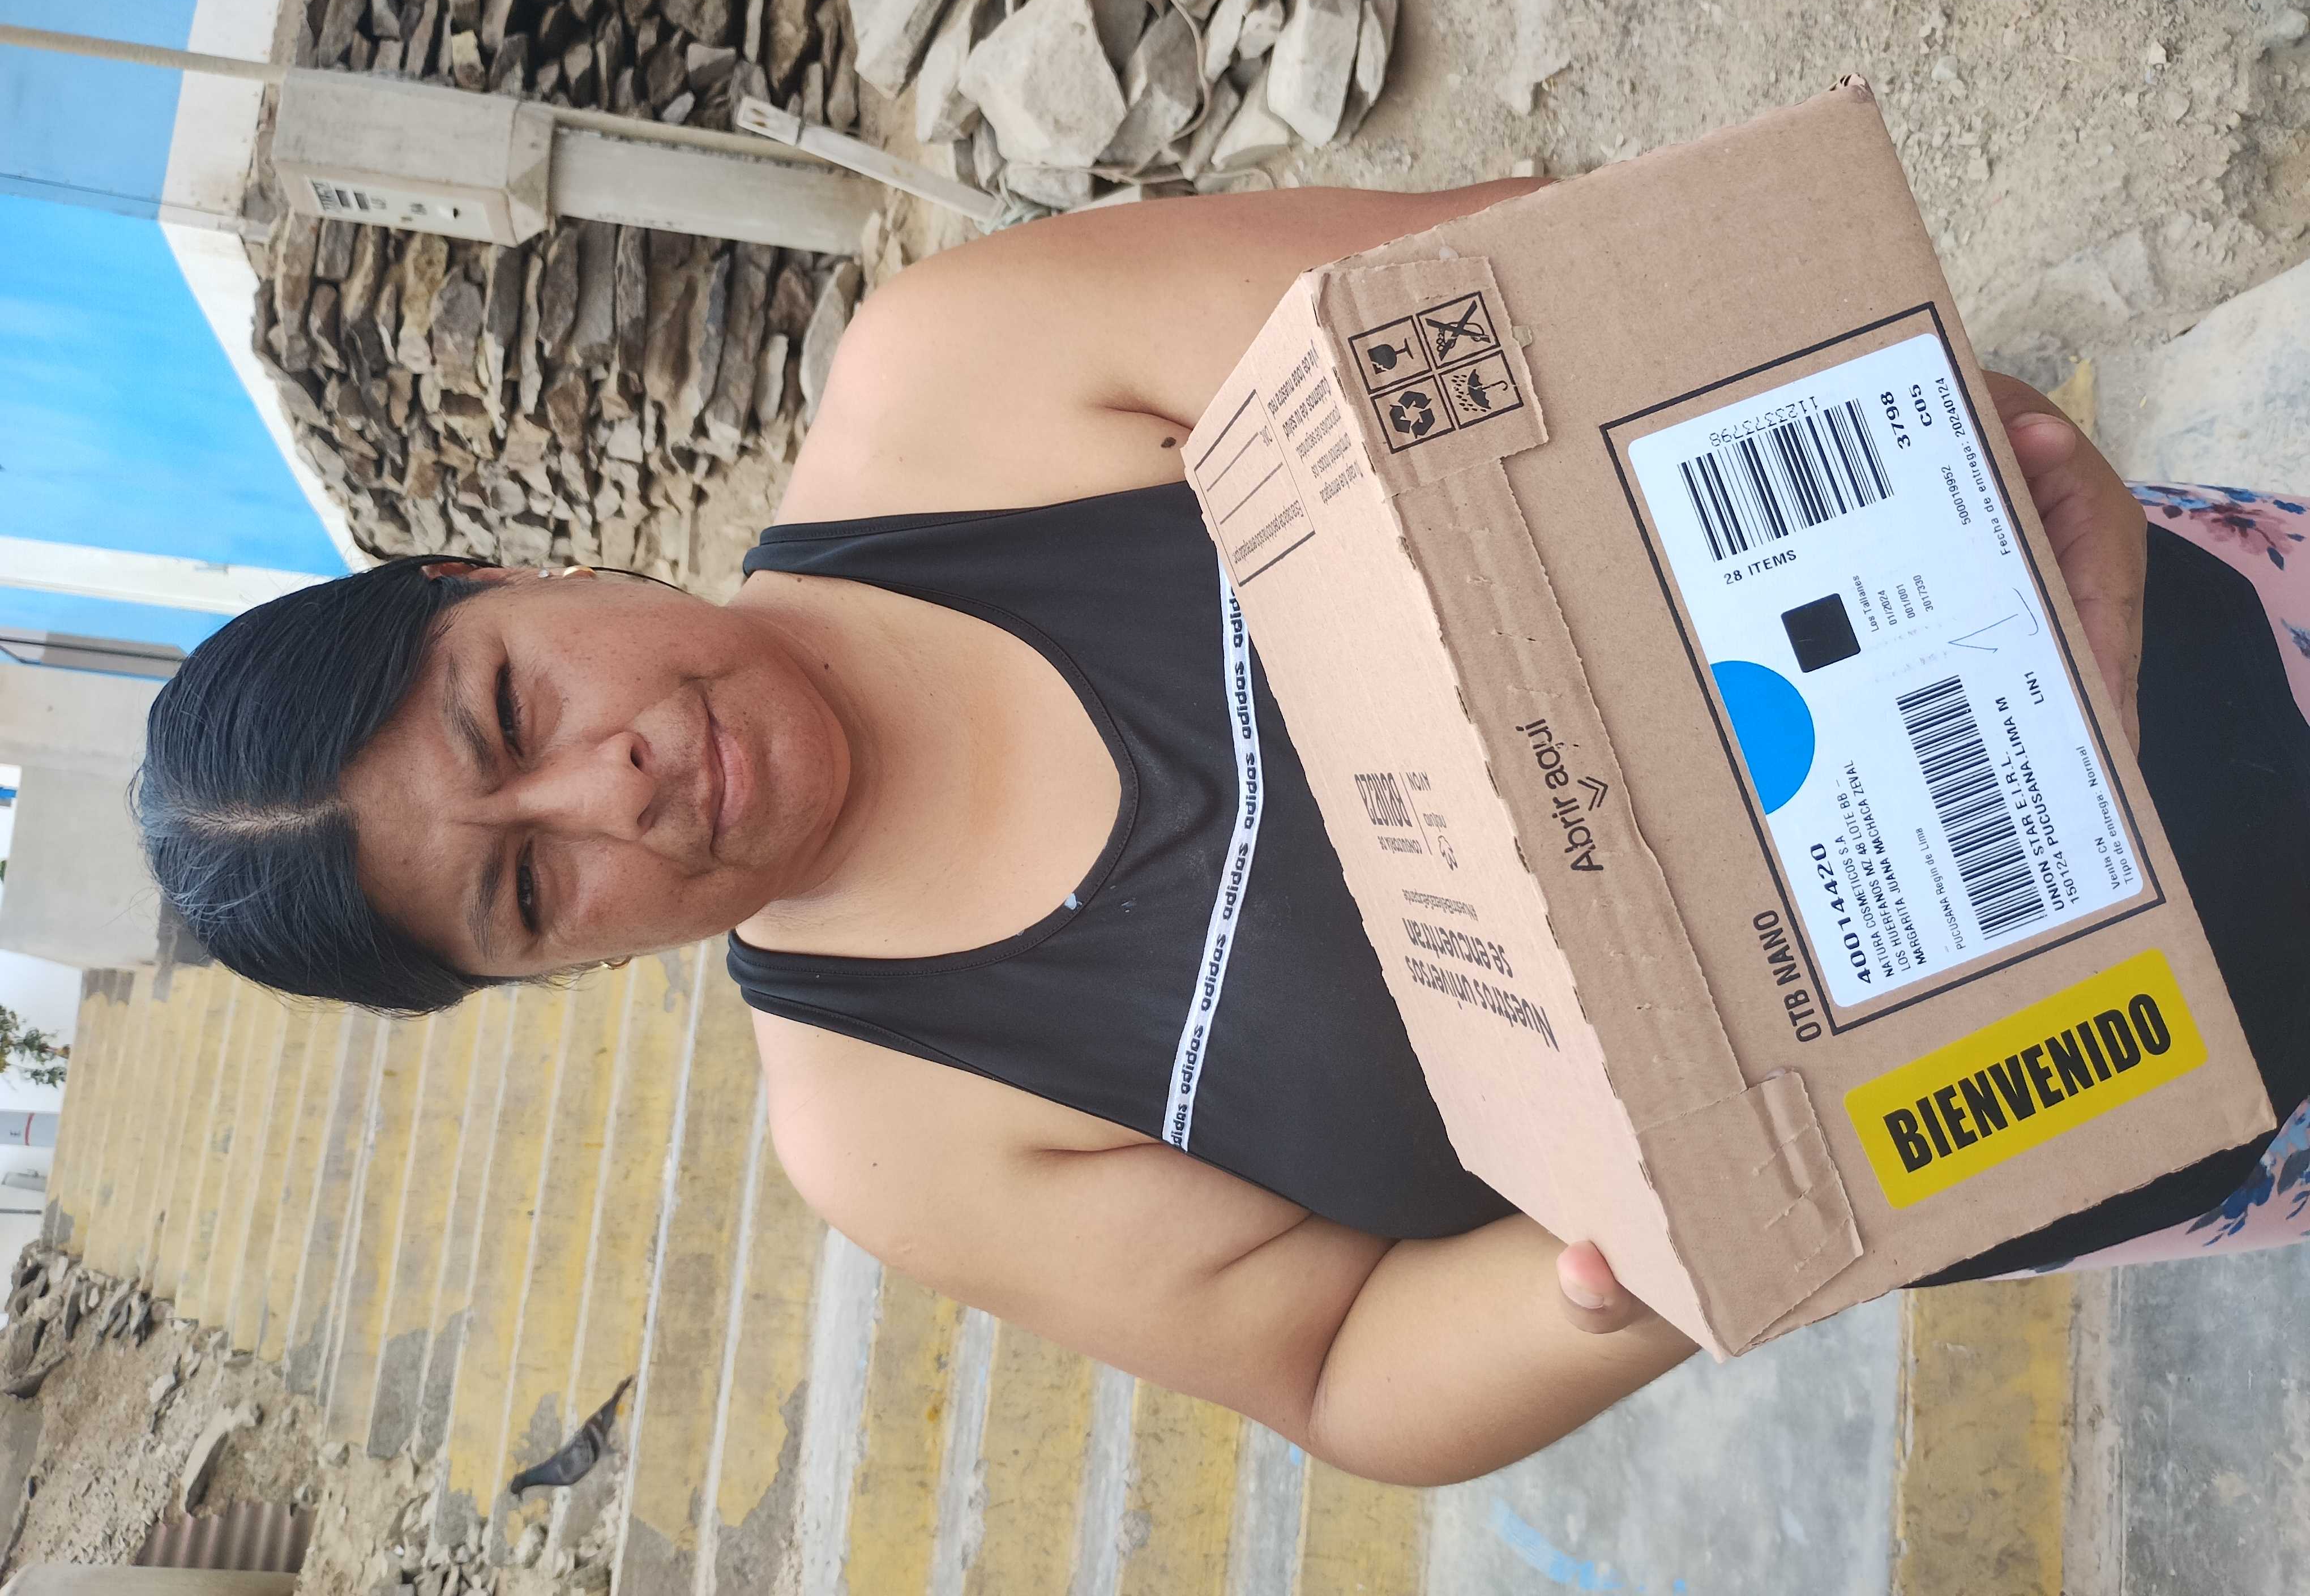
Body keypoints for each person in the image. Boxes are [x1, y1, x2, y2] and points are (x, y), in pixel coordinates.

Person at [136, 182, 2310, 1486]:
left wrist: (1976, 468)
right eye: (527, 885)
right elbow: (1342, 1366)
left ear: (492, 575)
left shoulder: (969, 385)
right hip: (2135, 1099)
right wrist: (1656, 1262)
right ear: (561, 974)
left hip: (2176, 640)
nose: (605, 788)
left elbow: (1553, 294)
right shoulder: (894, 1127)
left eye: (511, 708)